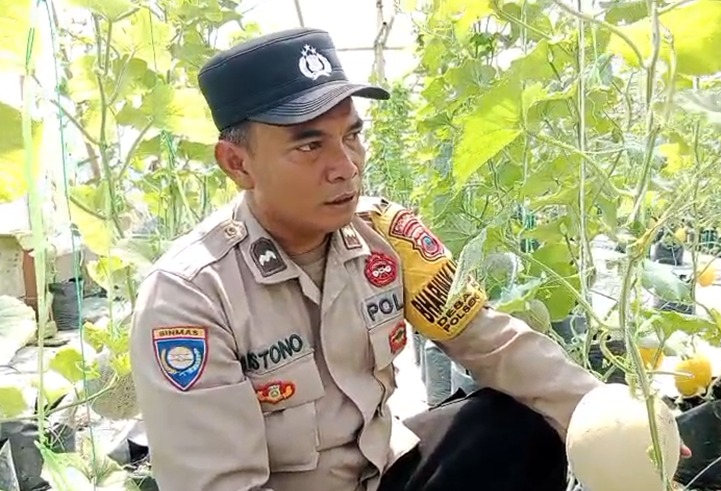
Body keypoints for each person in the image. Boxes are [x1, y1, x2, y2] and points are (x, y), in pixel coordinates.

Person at [129, 27, 686, 491]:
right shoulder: (191, 295)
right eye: (309, 145)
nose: (346, 166)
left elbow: (491, 341)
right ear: (237, 163)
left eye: (352, 136)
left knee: (520, 422)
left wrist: (615, 420)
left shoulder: (385, 237)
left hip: (384, 472)